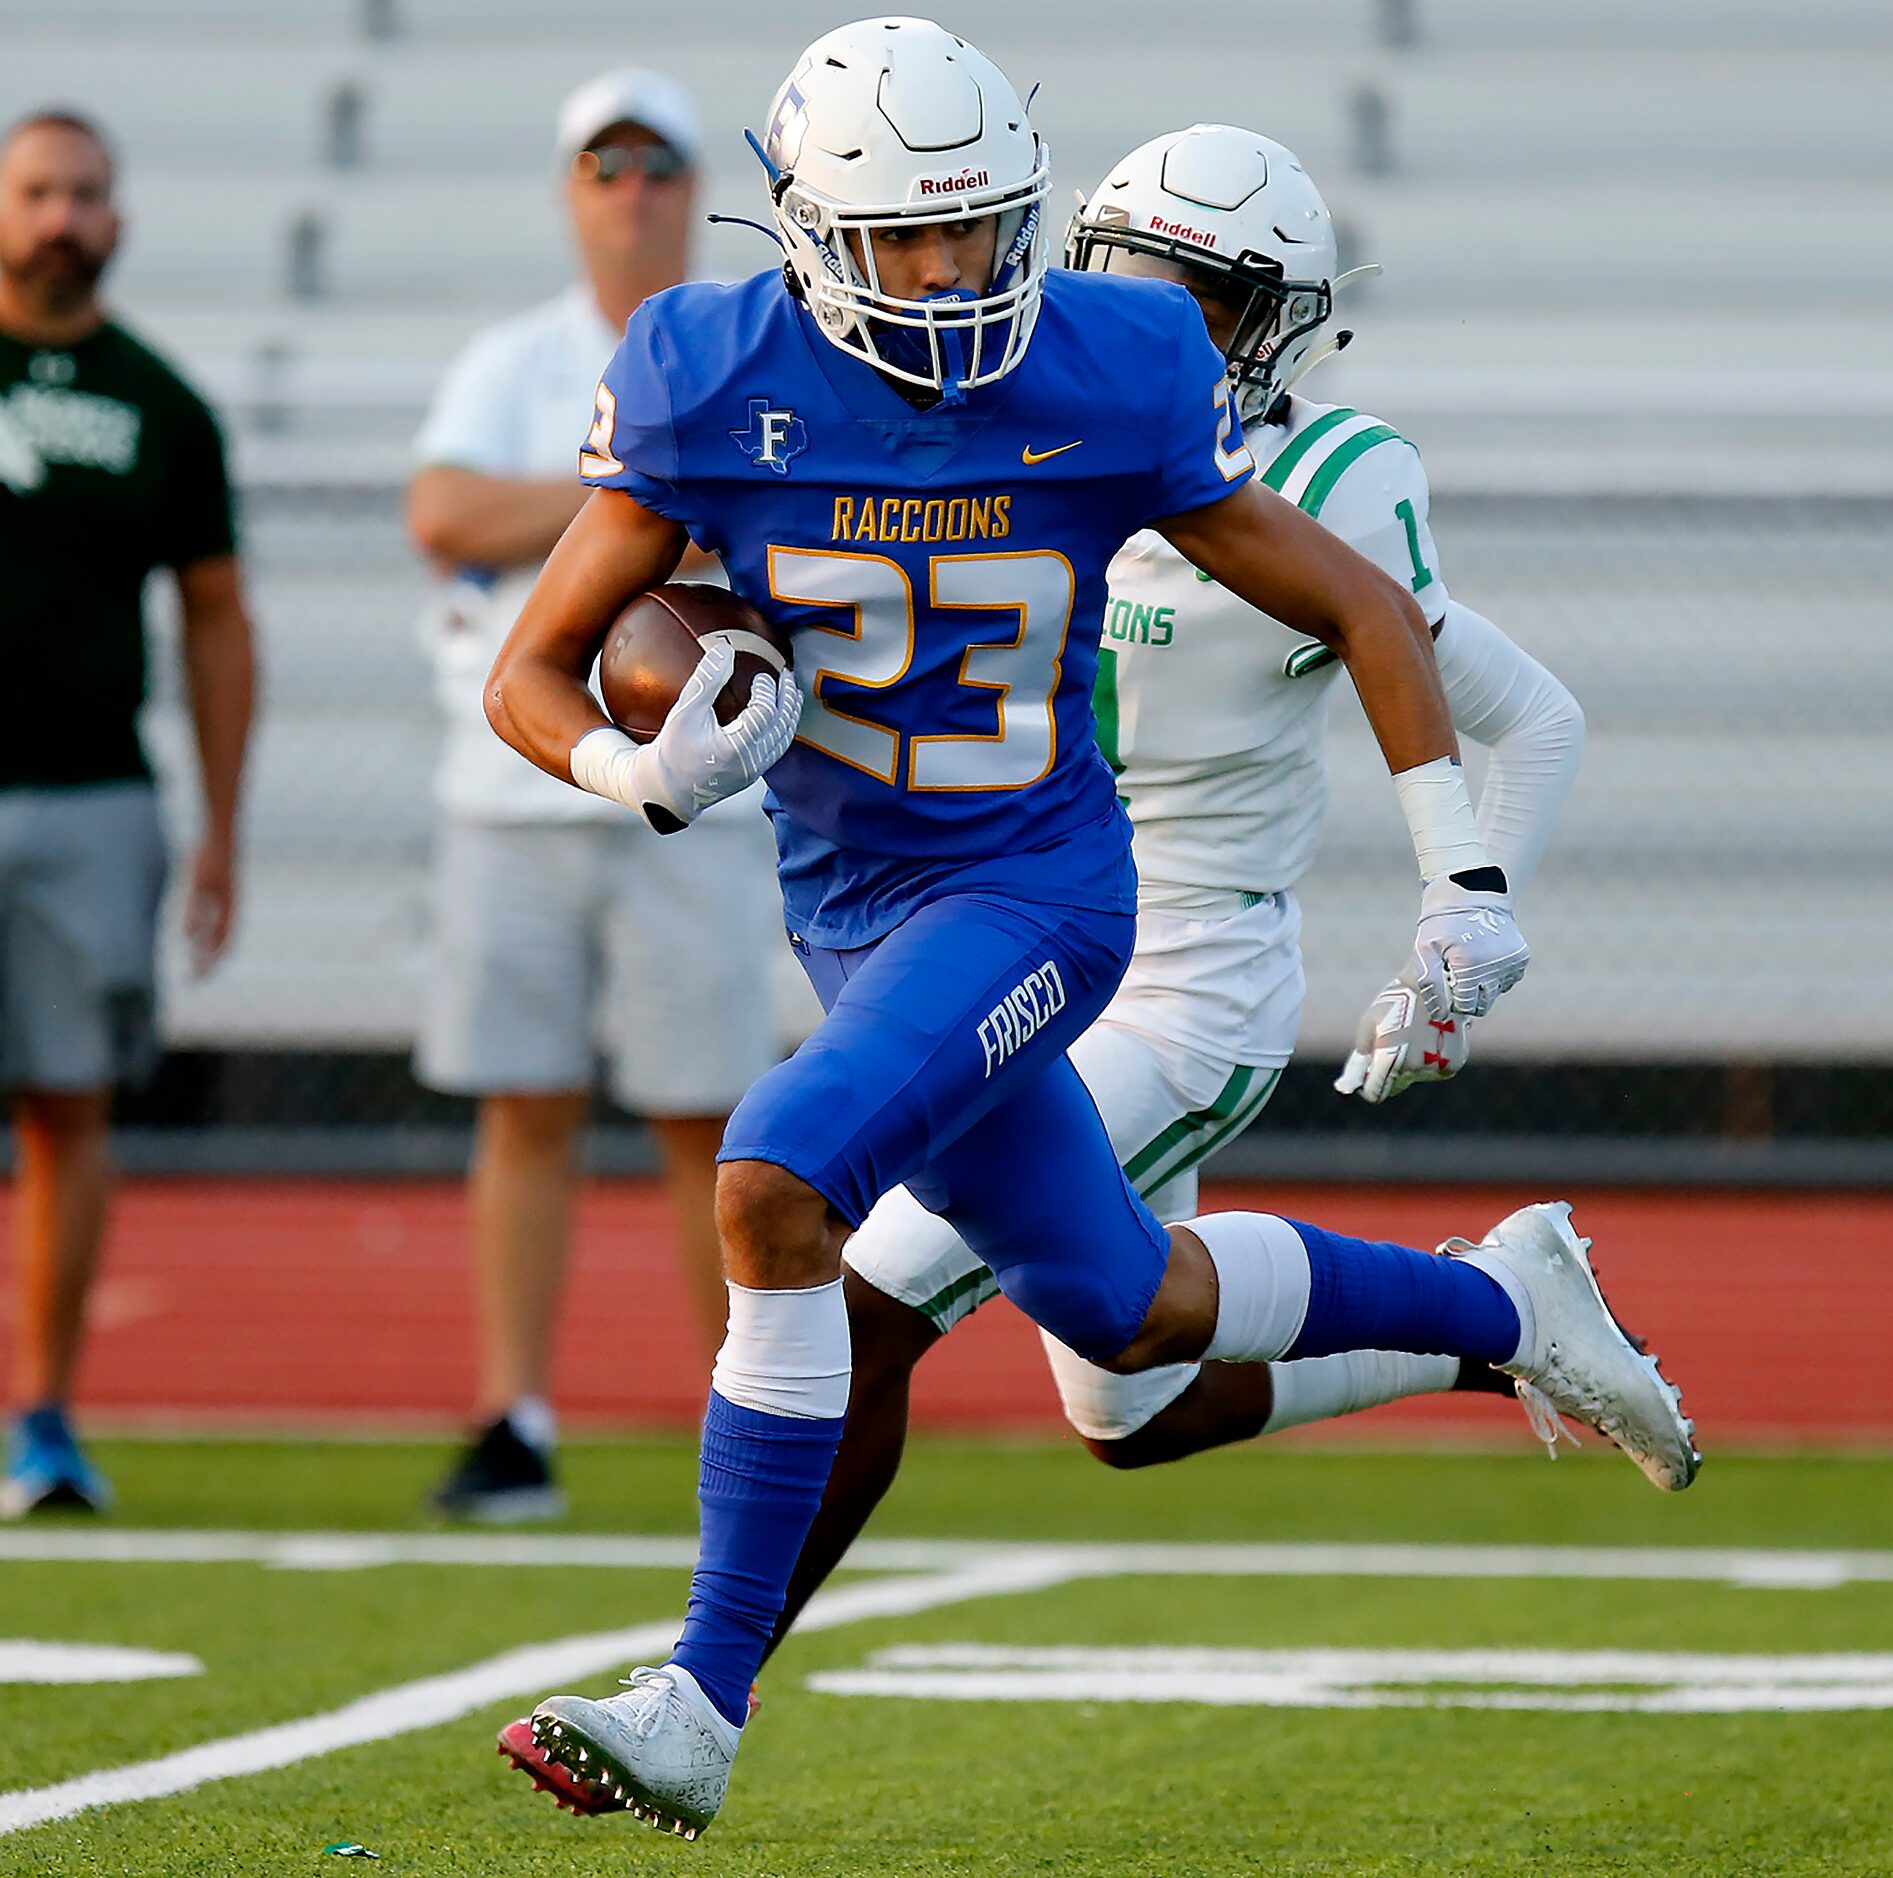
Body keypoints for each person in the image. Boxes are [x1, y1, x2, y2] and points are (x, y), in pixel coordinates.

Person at [485, 20, 1694, 1838]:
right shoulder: (699, 369)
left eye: (978, 230)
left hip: (1047, 896)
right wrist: (637, 768)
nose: (951, 274)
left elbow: (1371, 608)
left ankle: (698, 1697)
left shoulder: (1121, 369)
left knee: (775, 1184)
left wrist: (1463, 887)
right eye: (905, 236)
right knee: (1125, 1321)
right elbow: (536, 662)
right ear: (810, 231)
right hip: (853, 910)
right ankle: (1497, 1300)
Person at [406, 69, 783, 1522]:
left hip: (690, 793)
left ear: (692, 191)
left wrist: (571, 509)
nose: (630, 192)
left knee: (715, 1124)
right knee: (526, 1106)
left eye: (655, 168)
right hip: (513, 790)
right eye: (604, 168)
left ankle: (745, 1417)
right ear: (574, 192)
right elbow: (440, 512)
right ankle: (515, 1413)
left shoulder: (749, 349)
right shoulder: (514, 355)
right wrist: (634, 503)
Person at [0, 111, 255, 1517]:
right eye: (36, 191)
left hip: (94, 797)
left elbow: (217, 622)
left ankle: (44, 1416)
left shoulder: (163, 404)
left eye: (85, 195)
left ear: (119, 218)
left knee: (67, 1110)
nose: (60, 217)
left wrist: (221, 825)